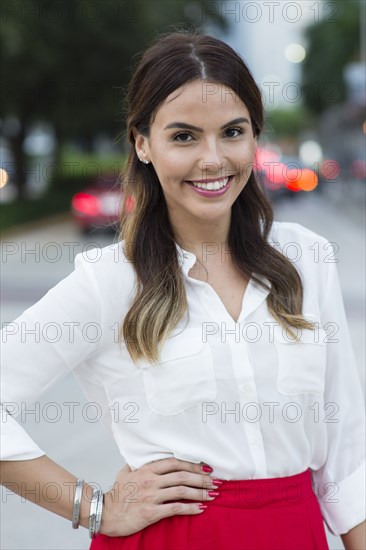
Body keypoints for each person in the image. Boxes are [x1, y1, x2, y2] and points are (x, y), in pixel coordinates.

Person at [1, 31, 365, 550]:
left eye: (232, 132)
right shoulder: (111, 281)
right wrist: (93, 506)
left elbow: (348, 461)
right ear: (143, 143)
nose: (212, 159)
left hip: (293, 532)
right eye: (184, 136)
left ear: (254, 136)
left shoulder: (306, 260)